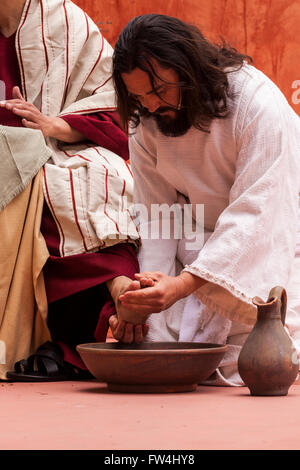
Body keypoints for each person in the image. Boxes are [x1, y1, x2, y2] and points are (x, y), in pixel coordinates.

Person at [110, 14, 300, 385]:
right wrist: (145, 295)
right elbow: (157, 216)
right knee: (161, 340)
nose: (150, 106)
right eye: (138, 96)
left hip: (277, 234)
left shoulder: (255, 104)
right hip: (203, 245)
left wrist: (182, 286)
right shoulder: (145, 121)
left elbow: (256, 212)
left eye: (160, 90)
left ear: (189, 69)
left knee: (261, 358)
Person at [0, 0, 150, 381]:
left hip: (61, 145)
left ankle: (119, 296)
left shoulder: (63, 18)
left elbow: (116, 103)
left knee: (88, 183)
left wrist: (55, 126)